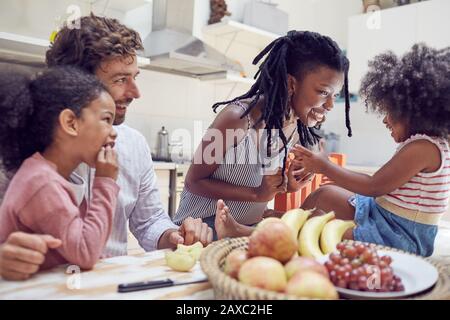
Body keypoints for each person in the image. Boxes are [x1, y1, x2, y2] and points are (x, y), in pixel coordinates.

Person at [0, 14, 212, 281]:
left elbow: (148, 221)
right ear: (77, 84)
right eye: (121, 79)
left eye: (135, 77)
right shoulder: (18, 146)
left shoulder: (133, 145)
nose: (136, 92)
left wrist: (173, 235)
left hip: (110, 287)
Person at [173, 30, 352, 239]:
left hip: (245, 233)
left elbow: (262, 189)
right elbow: (194, 181)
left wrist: (286, 186)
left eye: (335, 95)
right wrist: (257, 194)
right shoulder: (237, 117)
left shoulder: (293, 127)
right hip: (198, 232)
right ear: (292, 83)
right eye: (323, 92)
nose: (330, 105)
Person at [293, 44, 450, 256]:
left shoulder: (423, 148)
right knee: (324, 194)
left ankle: (287, 235)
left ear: (414, 112)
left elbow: (374, 186)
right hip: (383, 216)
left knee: (319, 231)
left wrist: (325, 166)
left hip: (398, 235)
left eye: (390, 112)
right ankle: (291, 221)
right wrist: (333, 173)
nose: (385, 119)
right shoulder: (426, 144)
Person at [0, 66, 119, 270]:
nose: (114, 132)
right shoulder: (41, 182)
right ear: (71, 123)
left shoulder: (47, 175)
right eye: (106, 120)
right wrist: (105, 183)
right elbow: (85, 252)